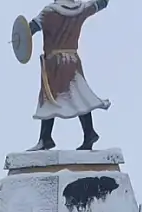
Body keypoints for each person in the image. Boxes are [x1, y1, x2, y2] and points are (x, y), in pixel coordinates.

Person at [26, 0, 112, 151]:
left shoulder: (49, 12)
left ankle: (46, 138)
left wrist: (21, 36)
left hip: (54, 62)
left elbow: (30, 29)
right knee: (79, 96)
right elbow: (101, 3)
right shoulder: (80, 9)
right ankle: (87, 132)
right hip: (72, 60)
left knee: (50, 99)